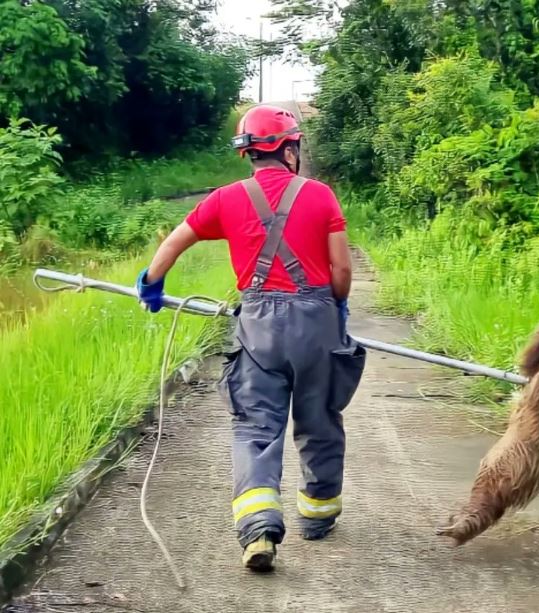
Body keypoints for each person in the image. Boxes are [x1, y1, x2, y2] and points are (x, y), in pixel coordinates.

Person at [135, 104, 366, 573]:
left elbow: (177, 239)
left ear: (248, 153)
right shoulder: (321, 196)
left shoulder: (224, 199)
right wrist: (336, 304)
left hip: (259, 324)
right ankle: (318, 516)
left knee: (255, 427)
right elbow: (341, 270)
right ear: (288, 147)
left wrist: (153, 282)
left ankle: (258, 527)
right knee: (319, 418)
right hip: (317, 322)